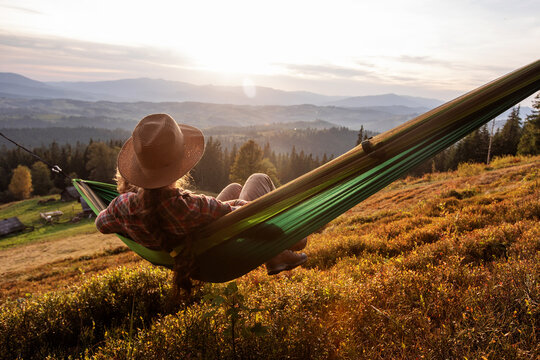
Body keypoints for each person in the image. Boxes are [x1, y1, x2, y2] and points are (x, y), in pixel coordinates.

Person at [95, 113, 307, 294]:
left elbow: (101, 224)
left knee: (234, 186)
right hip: (218, 252)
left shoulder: (122, 207)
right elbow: (243, 215)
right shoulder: (194, 207)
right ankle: (275, 254)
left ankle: (276, 256)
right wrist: (289, 230)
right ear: (180, 164)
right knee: (259, 179)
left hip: (191, 250)